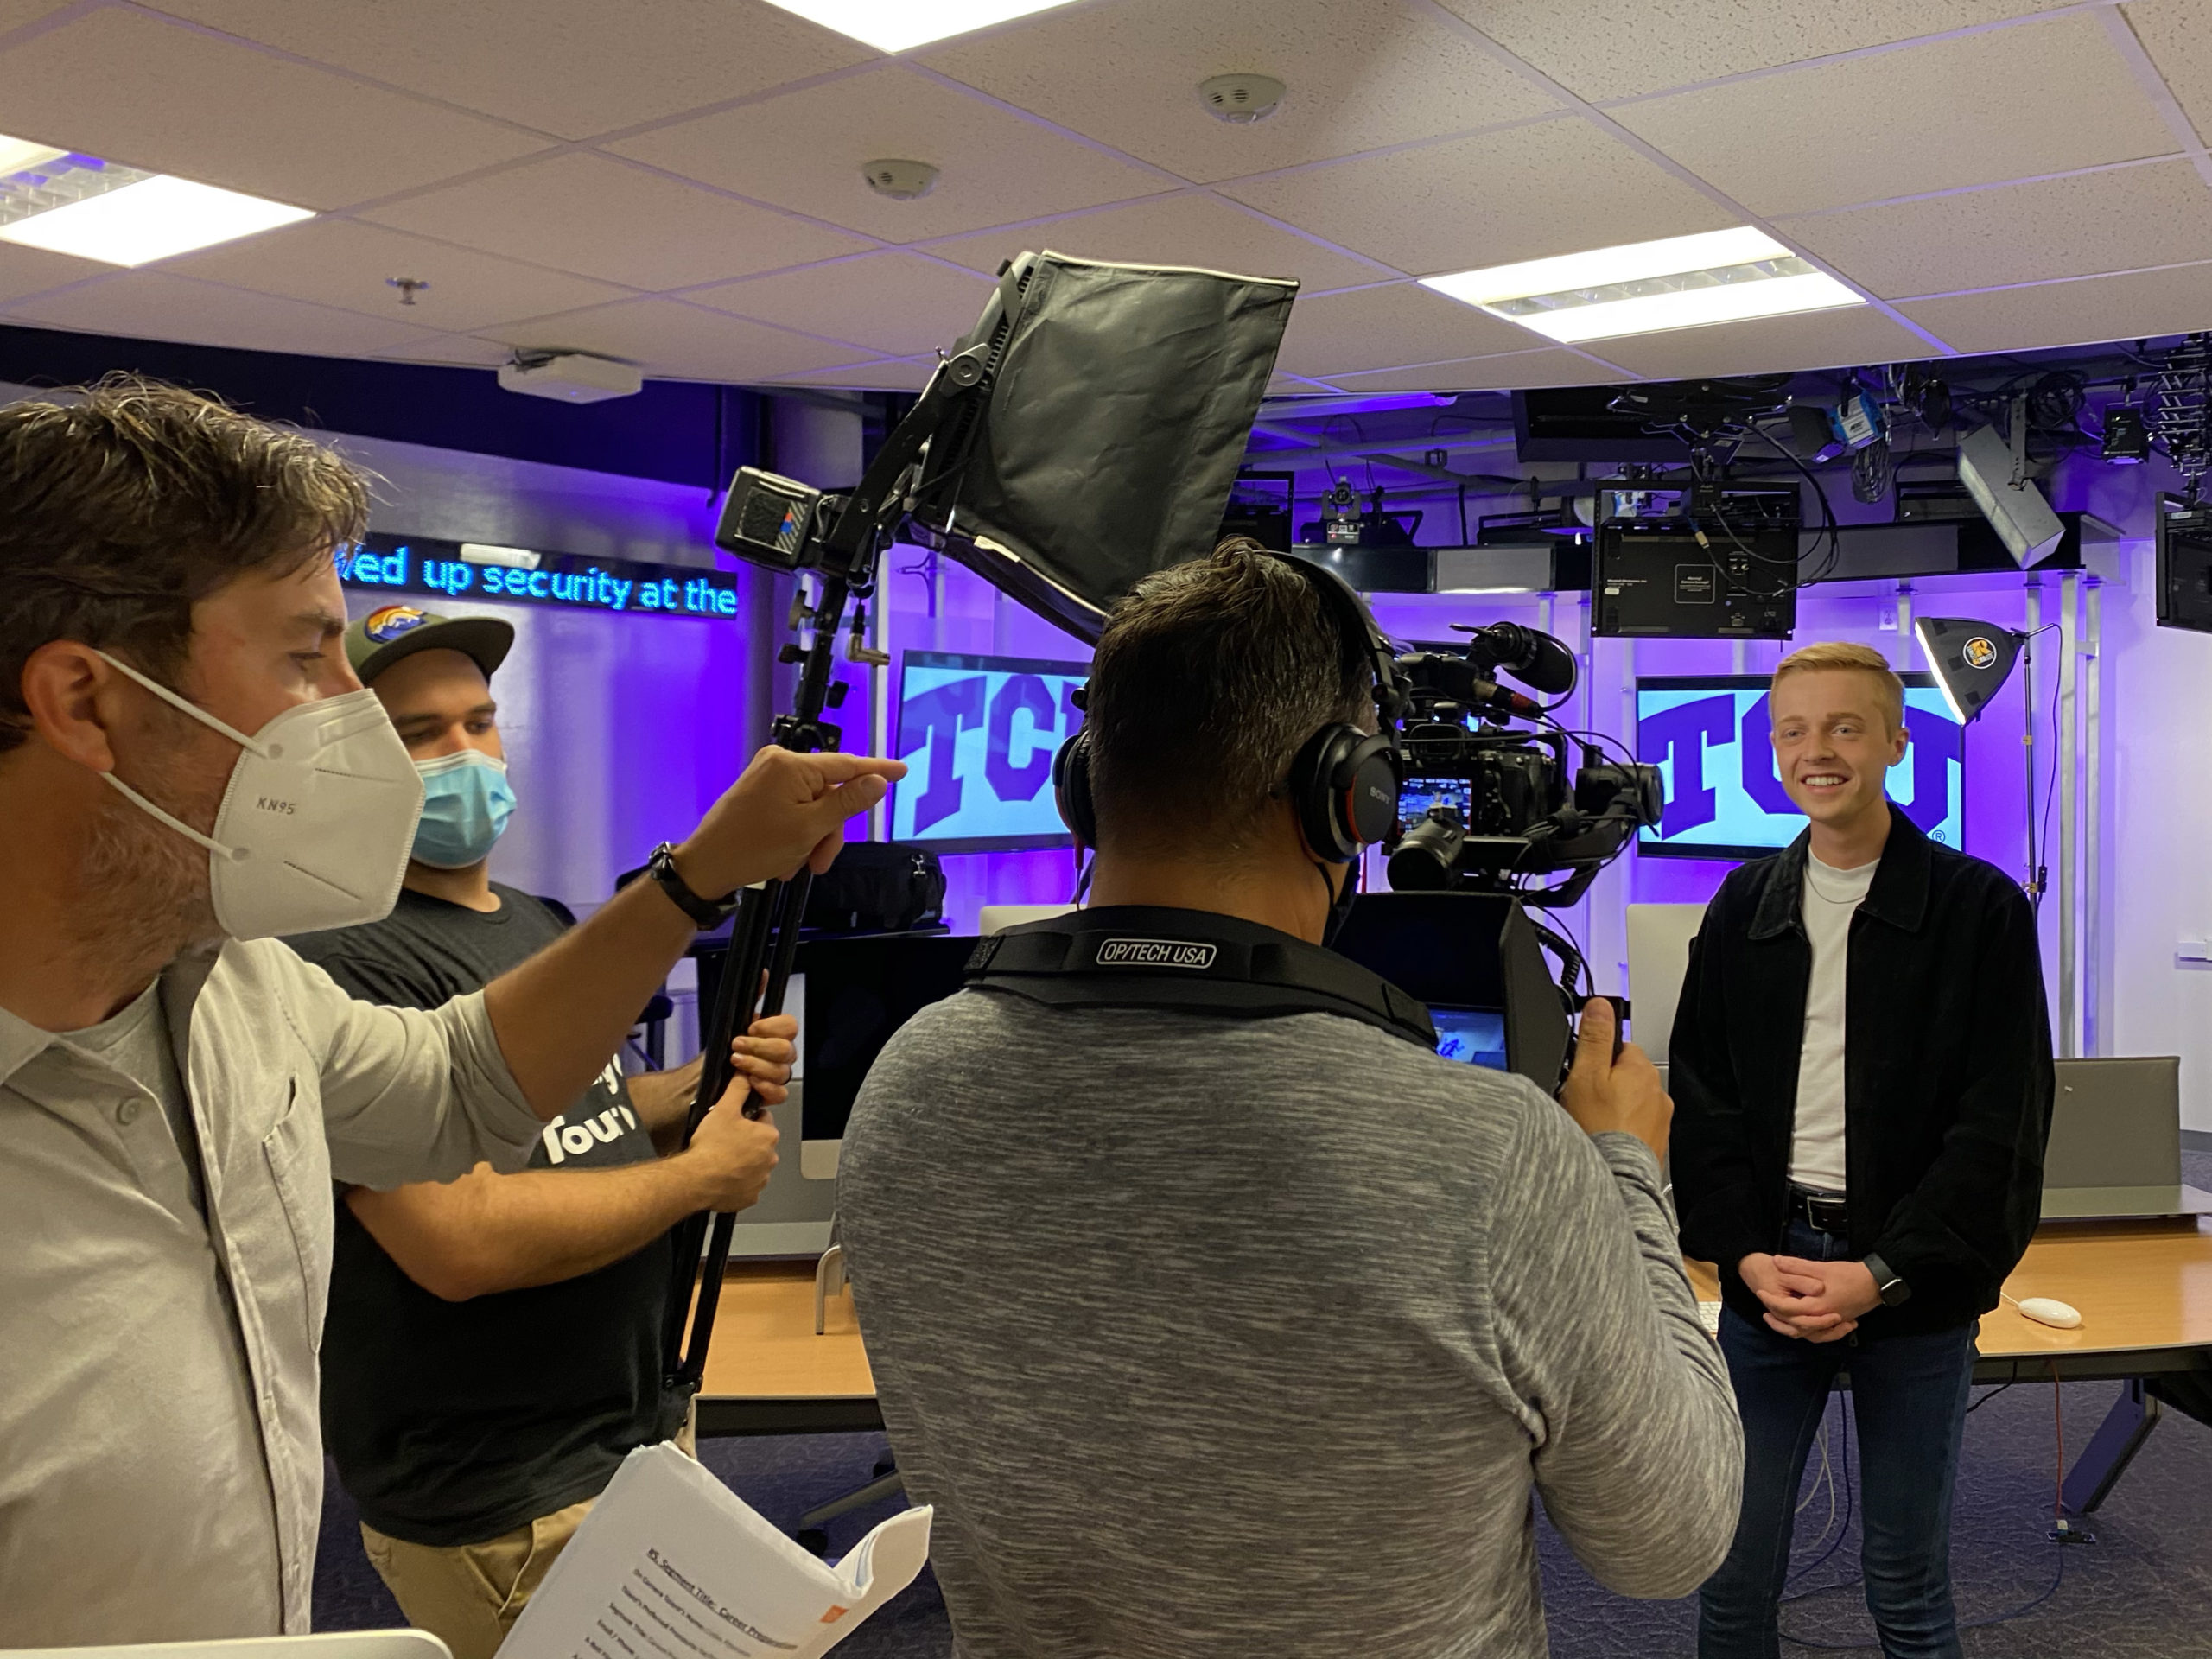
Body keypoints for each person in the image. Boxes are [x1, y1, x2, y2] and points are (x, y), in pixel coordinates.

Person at [0, 376, 903, 1645]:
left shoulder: (238, 988)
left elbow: (461, 1082)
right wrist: (695, 1174)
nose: (355, 725)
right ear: (86, 702)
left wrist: (700, 873)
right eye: (306, 657)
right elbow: (460, 1233)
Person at [835, 539, 1743, 1659]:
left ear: (1083, 784)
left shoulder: (912, 1082)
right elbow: (1670, 1540)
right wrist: (1624, 1173)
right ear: (1349, 797)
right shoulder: (1491, 1154)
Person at [284, 607, 789, 1659]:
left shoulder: (535, 922)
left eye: (478, 723)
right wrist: (699, 1178)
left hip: (631, 1435)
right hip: (503, 1492)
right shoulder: (332, 961)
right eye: (419, 735)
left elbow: (581, 1120)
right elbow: (459, 1240)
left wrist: (697, 1090)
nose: (463, 755)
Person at [1670, 640, 2055, 1659]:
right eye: (1793, 732)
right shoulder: (1742, 904)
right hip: (1770, 1266)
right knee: (1730, 1572)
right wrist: (1743, 1256)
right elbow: (1702, 1103)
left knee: (1907, 1585)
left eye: (1845, 727)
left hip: (1912, 1283)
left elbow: (1999, 1127)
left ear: (1895, 742)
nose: (1818, 752)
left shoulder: (1978, 910)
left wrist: (1882, 1275)